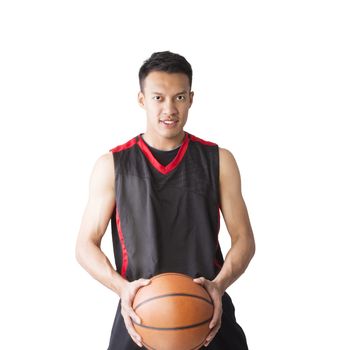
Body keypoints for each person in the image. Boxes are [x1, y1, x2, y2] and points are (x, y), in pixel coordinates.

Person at [76, 51, 256, 349]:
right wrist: (123, 289)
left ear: (191, 98)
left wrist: (218, 286)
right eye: (158, 97)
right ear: (142, 99)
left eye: (179, 97)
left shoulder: (219, 160)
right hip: (140, 315)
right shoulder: (112, 165)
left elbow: (245, 239)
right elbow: (84, 245)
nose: (169, 108)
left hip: (208, 313)